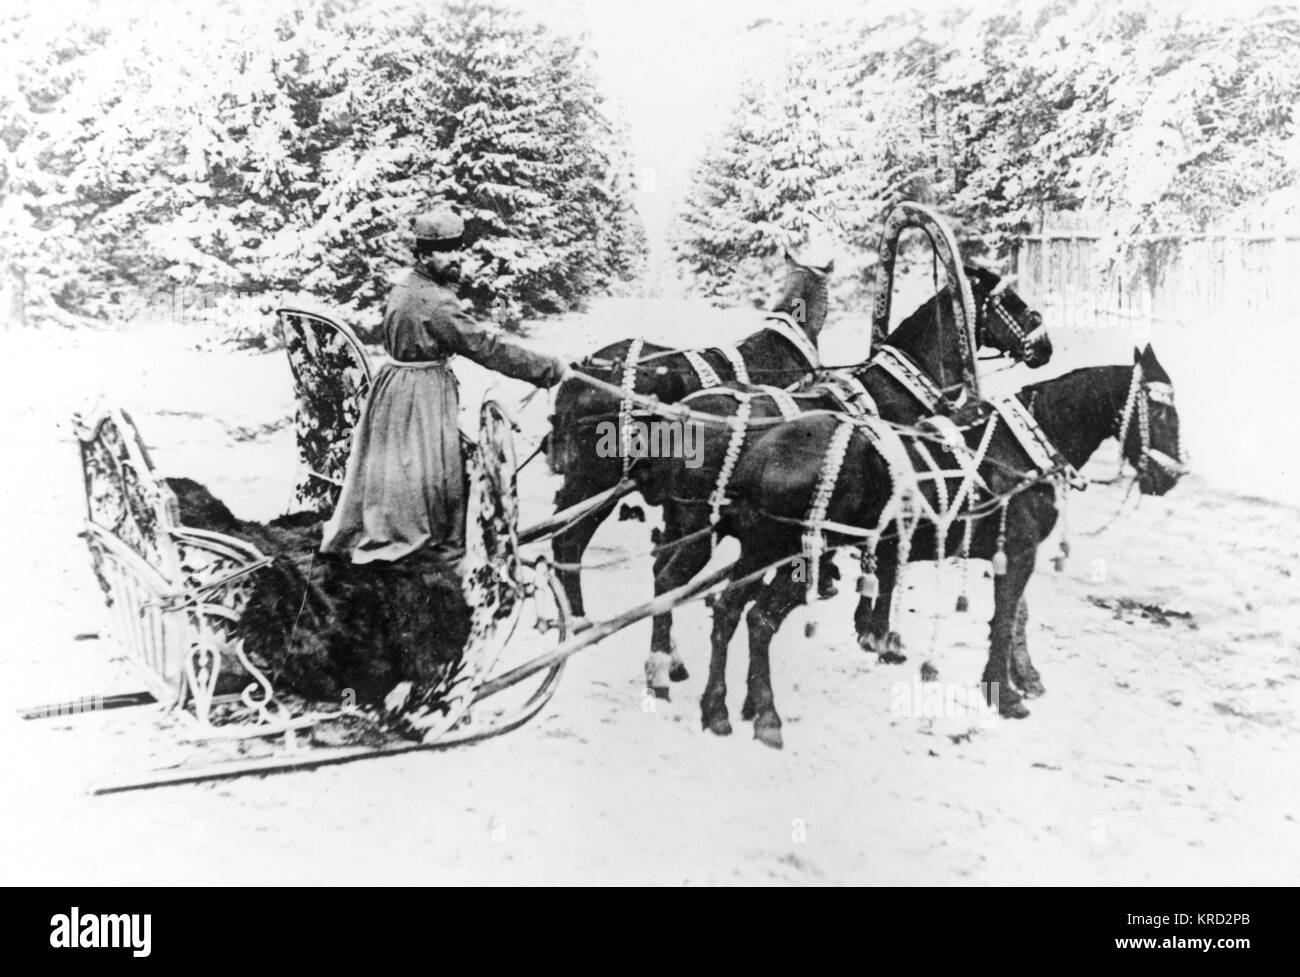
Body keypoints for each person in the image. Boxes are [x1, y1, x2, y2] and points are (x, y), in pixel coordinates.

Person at [320, 206, 569, 581]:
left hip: (397, 389)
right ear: (422, 255)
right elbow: (485, 346)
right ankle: (426, 550)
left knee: (403, 472)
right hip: (419, 394)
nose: (455, 258)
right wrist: (548, 369)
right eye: (443, 251)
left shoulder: (412, 287)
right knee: (430, 474)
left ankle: (396, 529)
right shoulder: (433, 301)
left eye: (457, 249)